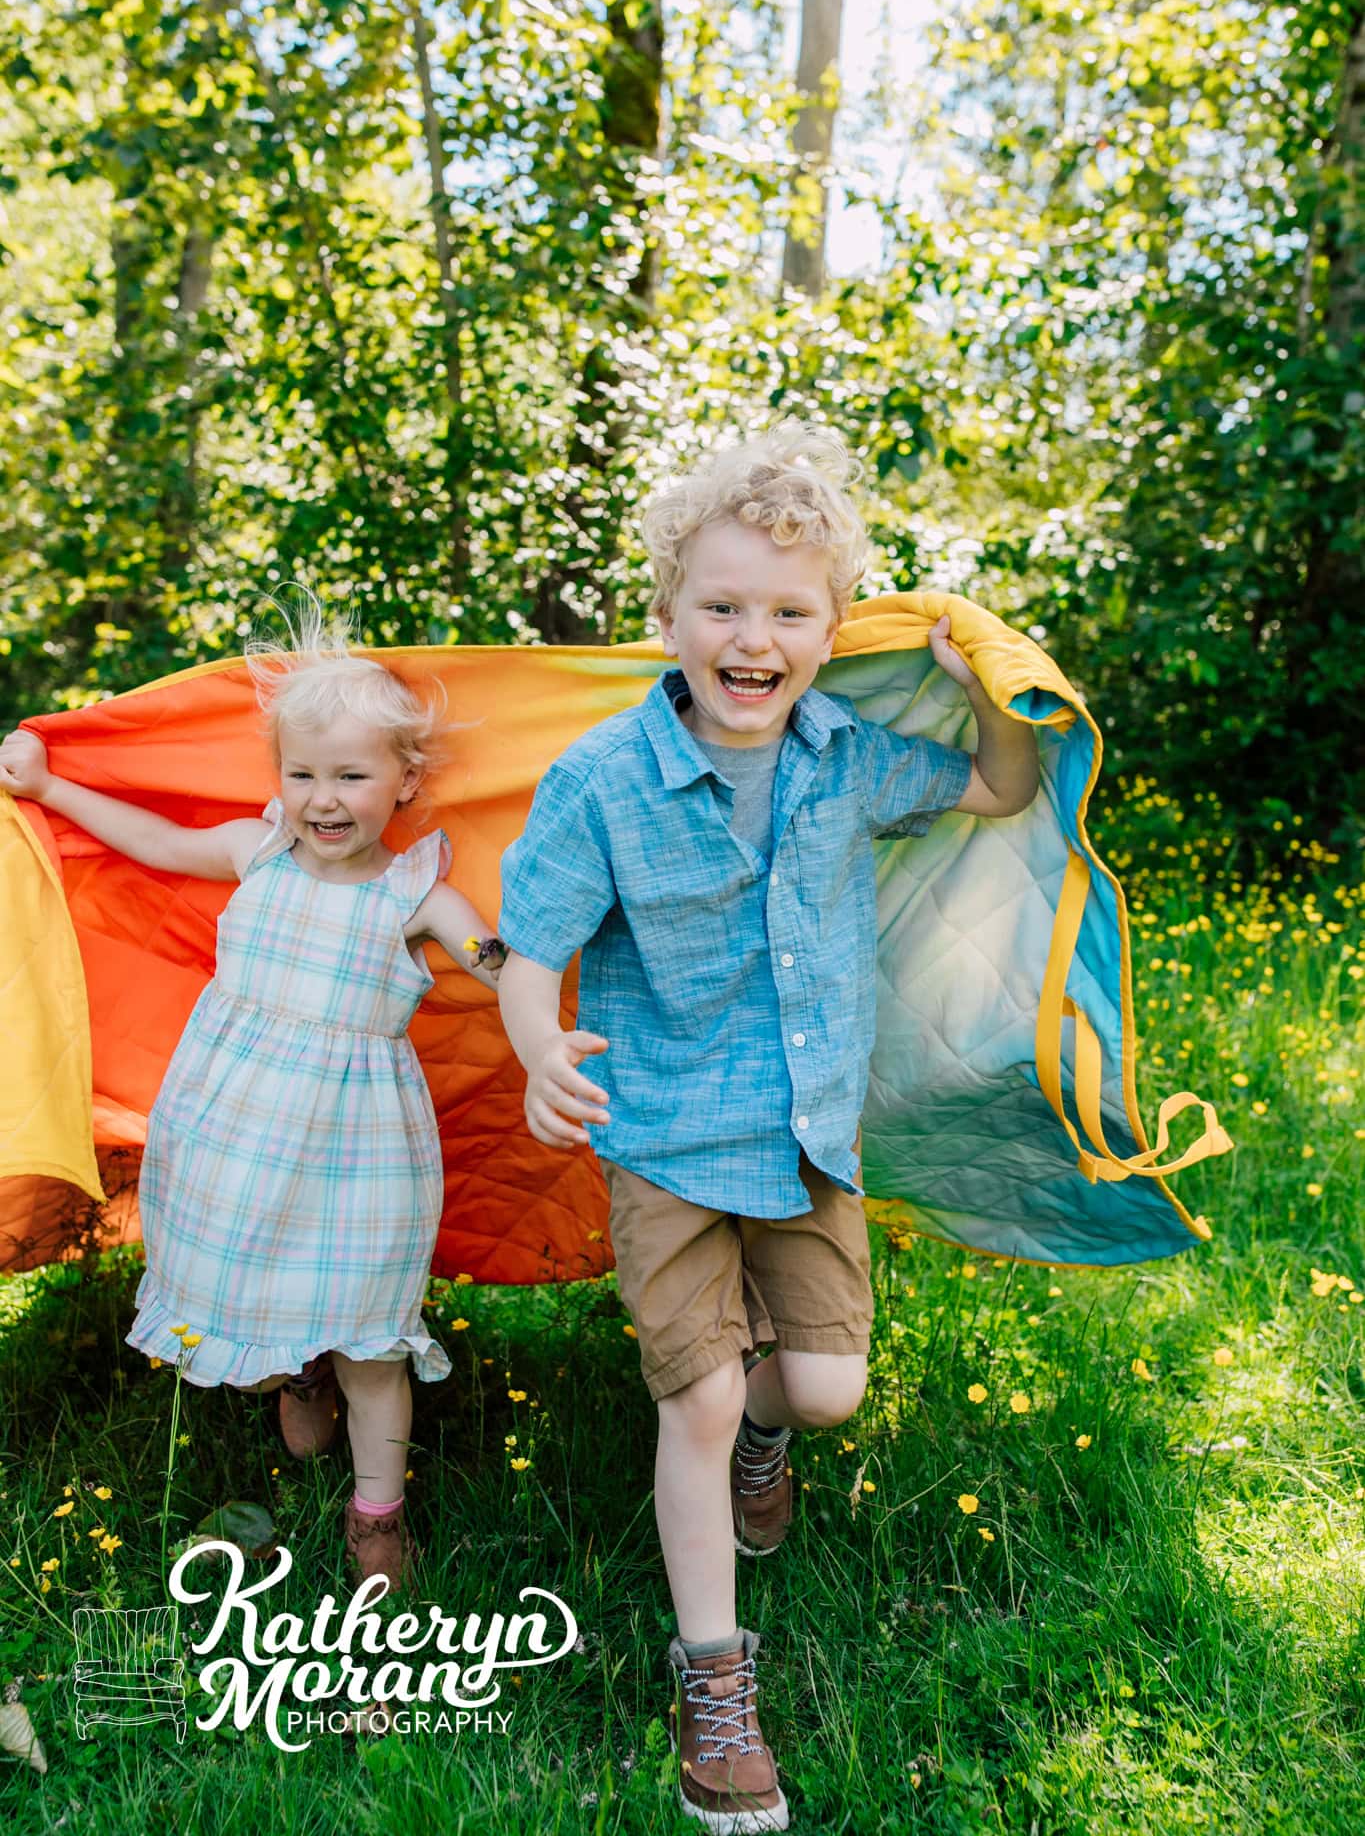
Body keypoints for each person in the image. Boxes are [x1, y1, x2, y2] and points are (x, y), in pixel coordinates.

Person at [496, 423, 1040, 1834]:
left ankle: (757, 1446)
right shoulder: (604, 780)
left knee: (823, 1392)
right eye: (723, 607)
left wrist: (991, 687)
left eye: (788, 613)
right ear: (668, 616)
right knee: (701, 1393)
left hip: (805, 1139)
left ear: (828, 628)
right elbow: (525, 943)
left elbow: (996, 788)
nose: (753, 637)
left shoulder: (851, 758)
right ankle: (716, 1687)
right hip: (666, 1137)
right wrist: (541, 1045)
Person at [0, 603, 504, 1588]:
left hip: (360, 1152)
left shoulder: (418, 897)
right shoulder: (255, 852)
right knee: (260, 1283)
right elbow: (148, 839)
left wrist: (534, 971)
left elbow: (500, 962)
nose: (322, 798)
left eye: (351, 775)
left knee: (374, 1344)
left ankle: (376, 1520)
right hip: (235, 1130)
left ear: (403, 781)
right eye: (302, 772)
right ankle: (301, 1361)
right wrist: (52, 782)